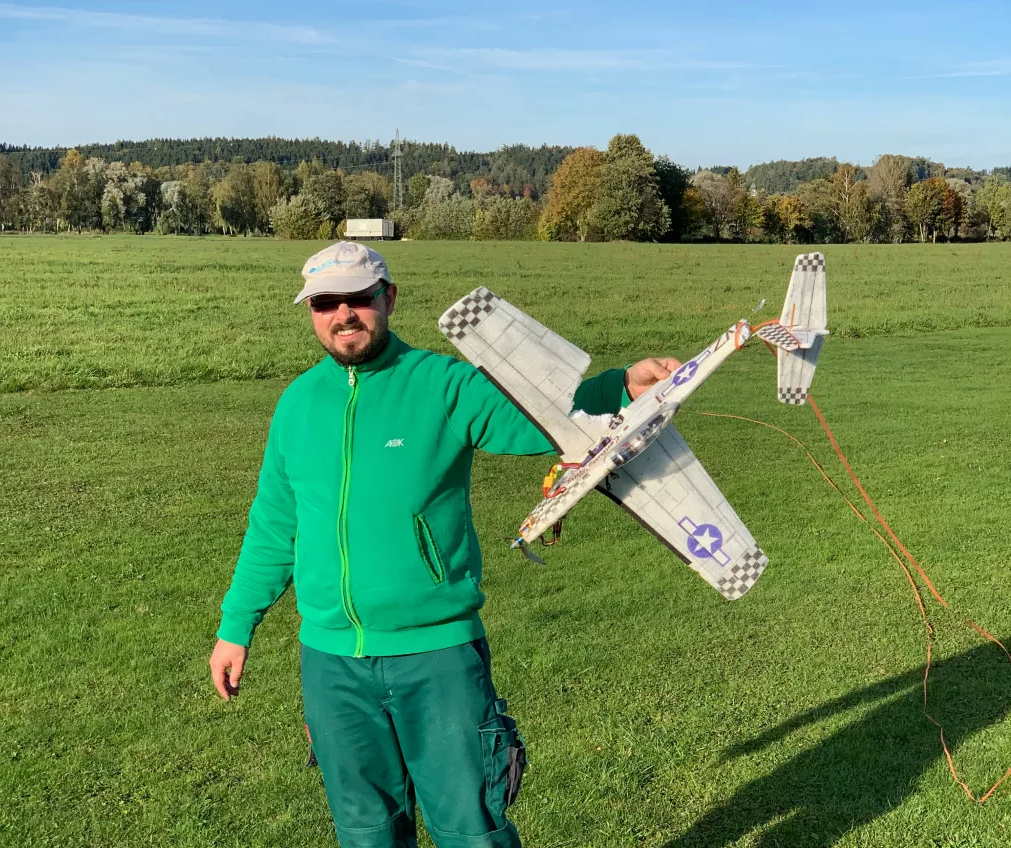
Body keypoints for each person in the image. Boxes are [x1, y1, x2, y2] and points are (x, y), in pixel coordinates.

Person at [209, 241, 680, 848]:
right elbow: (275, 525)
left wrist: (622, 386)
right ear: (311, 311)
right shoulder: (297, 404)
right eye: (326, 303)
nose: (343, 314)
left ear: (388, 298)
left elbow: (545, 416)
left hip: (436, 656)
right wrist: (235, 627)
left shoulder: (442, 384)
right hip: (332, 664)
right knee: (366, 834)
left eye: (359, 298)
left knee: (471, 832)